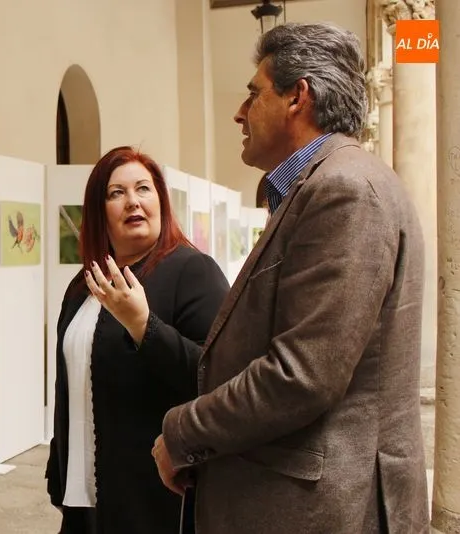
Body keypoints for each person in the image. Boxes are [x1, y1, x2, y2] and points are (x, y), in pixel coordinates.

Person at [143, 22, 428, 533]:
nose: (239, 112)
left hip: (323, 508)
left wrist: (182, 431)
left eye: (254, 94)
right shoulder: (318, 186)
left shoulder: (346, 190)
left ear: (298, 97)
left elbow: (301, 375)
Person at [45, 146, 230, 533]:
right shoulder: (83, 286)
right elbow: (72, 384)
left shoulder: (192, 271)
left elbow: (217, 377)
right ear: (100, 212)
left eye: (143, 189)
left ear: (160, 200)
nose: (133, 202)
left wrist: (145, 325)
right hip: (82, 499)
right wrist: (57, 464)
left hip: (152, 499)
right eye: (116, 193)